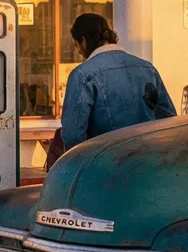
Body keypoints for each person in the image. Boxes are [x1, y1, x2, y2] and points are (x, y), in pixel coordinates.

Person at [55, 13, 176, 156]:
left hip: (105, 162)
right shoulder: (147, 68)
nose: (79, 52)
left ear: (84, 41)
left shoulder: (82, 75)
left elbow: (73, 136)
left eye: (77, 45)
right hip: (147, 158)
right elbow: (169, 119)